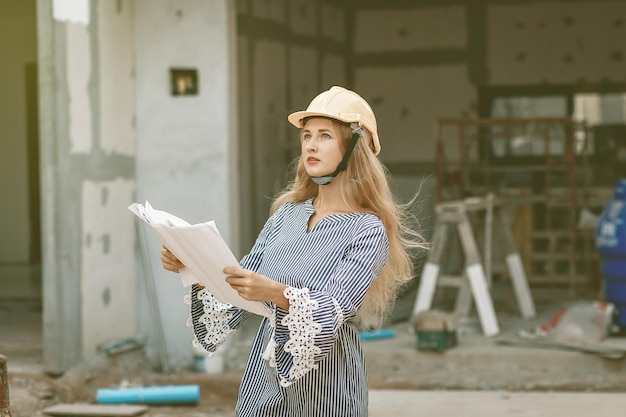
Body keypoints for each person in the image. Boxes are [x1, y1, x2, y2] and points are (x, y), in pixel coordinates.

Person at [161, 85, 427, 416]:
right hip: (264, 382)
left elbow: (334, 310)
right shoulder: (286, 215)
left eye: (325, 136)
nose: (311, 145)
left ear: (354, 147)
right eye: (306, 135)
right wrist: (191, 265)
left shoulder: (367, 231)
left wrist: (276, 292)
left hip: (327, 387)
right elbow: (240, 286)